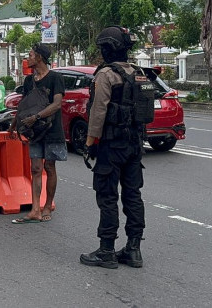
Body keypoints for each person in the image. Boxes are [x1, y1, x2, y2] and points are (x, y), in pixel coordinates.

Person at [80, 26, 151, 269]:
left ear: (108, 49)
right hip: (134, 145)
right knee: (133, 195)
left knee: (107, 196)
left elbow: (98, 112)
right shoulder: (139, 73)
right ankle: (133, 249)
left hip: (111, 146)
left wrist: (89, 143)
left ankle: (106, 250)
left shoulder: (106, 75)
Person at [8, 43, 66, 223]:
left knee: (49, 167)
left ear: (40, 57)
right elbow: (23, 106)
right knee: (35, 168)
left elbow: (57, 104)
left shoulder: (56, 78)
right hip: (34, 132)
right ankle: (35, 209)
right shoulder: (28, 80)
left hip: (51, 130)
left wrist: (36, 116)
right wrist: (13, 127)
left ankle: (47, 206)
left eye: (31, 55)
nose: (28, 58)